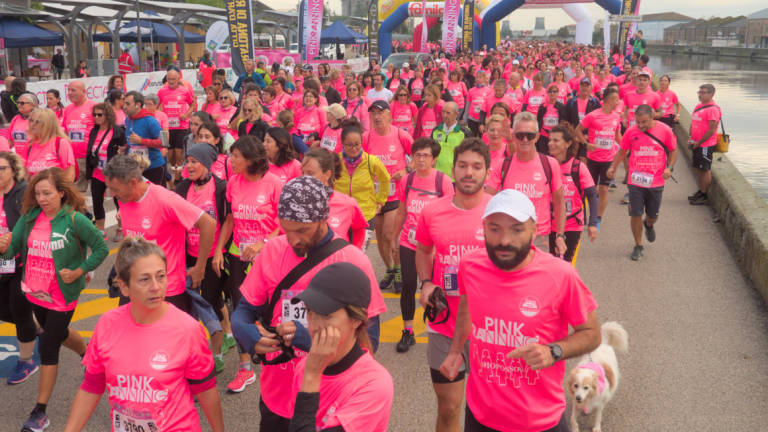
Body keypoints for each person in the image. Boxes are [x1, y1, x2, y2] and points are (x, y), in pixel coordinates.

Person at [230, 176, 387, 430]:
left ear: (323, 218)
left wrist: (309, 340)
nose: (292, 241)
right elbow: (244, 311)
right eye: (285, 229)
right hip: (276, 395)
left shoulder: (353, 261)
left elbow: (371, 341)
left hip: (328, 401)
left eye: (301, 231)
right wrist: (246, 334)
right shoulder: (272, 251)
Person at [440, 189, 600, 432]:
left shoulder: (561, 275)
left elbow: (591, 333)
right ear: (483, 228)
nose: (504, 240)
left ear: (534, 231)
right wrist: (455, 351)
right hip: (481, 415)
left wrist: (554, 351)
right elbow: (466, 304)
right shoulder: (470, 266)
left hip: (539, 421)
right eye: (495, 229)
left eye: (516, 229)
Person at [63, 238, 225, 432]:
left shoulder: (187, 329)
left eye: (161, 276)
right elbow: (92, 386)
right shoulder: (107, 324)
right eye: (144, 279)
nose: (156, 286)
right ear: (124, 287)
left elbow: (205, 389)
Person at [0, 167, 108, 432]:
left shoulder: (74, 220)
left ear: (62, 192)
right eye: (37, 193)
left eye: (47, 193)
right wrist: (5, 247)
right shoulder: (29, 218)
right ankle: (88, 355)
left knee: (49, 347)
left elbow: (102, 247)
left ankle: (40, 412)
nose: (42, 198)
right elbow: (13, 252)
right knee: (57, 334)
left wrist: (79, 271)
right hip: (36, 292)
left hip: (62, 295)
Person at [415, 138, 492, 432]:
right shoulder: (432, 211)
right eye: (462, 166)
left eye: (476, 166)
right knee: (448, 409)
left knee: (488, 410)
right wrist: (424, 283)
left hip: (489, 326)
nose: (469, 173)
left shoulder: (498, 212)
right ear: (453, 168)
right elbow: (422, 249)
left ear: (487, 171)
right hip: (443, 323)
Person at [212, 135, 283, 393]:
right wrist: (219, 250)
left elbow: (283, 222)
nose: (231, 161)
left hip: (268, 258)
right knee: (240, 311)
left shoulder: (274, 183)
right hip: (239, 256)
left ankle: (274, 360)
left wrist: (264, 243)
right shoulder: (233, 183)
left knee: (267, 312)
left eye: (236, 157)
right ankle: (245, 369)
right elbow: (230, 219)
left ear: (251, 160)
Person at [287, 263, 394, 432]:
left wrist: (312, 376)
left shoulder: (374, 385)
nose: (313, 326)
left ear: (356, 320)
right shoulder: (305, 367)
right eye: (309, 312)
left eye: (326, 316)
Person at [103, 154, 217, 303]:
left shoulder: (165, 200)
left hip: (166, 291)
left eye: (114, 189)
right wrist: (120, 271)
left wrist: (200, 267)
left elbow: (208, 223)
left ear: (132, 183)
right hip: (134, 286)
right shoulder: (124, 198)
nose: (111, 194)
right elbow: (129, 238)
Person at [174, 144, 235, 373]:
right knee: (189, 307)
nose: (188, 166)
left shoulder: (220, 188)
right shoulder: (181, 188)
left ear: (207, 164)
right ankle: (191, 353)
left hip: (213, 258)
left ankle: (216, 353)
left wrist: (219, 251)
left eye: (193, 161)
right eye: (186, 161)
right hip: (187, 255)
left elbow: (228, 221)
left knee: (211, 303)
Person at [393, 137, 453, 353]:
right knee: (409, 284)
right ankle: (408, 331)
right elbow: (402, 210)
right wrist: (393, 237)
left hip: (435, 246)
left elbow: (450, 213)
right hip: (409, 242)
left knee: (436, 289)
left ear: (434, 159)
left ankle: (439, 332)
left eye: (425, 155)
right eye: (417, 155)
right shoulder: (407, 180)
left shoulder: (442, 181)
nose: (420, 159)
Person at [487, 112, 567, 256]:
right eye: (520, 135)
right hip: (510, 237)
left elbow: (559, 202)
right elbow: (486, 200)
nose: (525, 139)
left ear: (536, 137)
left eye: (530, 135)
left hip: (539, 238)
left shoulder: (550, 164)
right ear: (514, 137)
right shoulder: (502, 165)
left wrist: (560, 235)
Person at [607, 105, 678, 261]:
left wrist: (670, 168)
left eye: (644, 122)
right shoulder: (632, 132)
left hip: (656, 181)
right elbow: (622, 151)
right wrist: (613, 167)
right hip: (636, 181)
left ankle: (649, 224)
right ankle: (638, 245)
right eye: (638, 122)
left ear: (652, 116)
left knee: (652, 215)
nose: (640, 125)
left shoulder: (665, 130)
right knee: (635, 214)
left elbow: (674, 149)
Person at [363, 100, 413, 293]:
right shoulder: (367, 137)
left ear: (389, 115)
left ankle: (399, 270)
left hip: (396, 195)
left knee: (390, 236)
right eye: (373, 113)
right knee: (381, 240)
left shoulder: (400, 134)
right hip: (375, 197)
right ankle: (390, 269)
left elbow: (419, 155)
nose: (377, 116)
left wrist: (406, 170)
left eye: (380, 112)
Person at [0, 152, 38, 386]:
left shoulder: (23, 194)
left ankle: (26, 361)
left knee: (20, 307)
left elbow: (33, 227)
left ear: (13, 170)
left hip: (21, 261)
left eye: (2, 168)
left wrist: (11, 240)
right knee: (5, 310)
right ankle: (36, 328)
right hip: (1, 261)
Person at [334, 119, 390, 248]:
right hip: (341, 214)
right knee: (341, 250)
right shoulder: (335, 160)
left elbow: (385, 179)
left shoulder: (371, 161)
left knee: (360, 252)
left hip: (365, 214)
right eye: (349, 145)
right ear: (342, 144)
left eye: (357, 144)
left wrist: (381, 201)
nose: (353, 148)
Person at [547, 124, 598, 261]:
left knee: (565, 264)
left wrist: (593, 223)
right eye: (550, 140)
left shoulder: (578, 167)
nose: (551, 143)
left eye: (556, 140)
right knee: (549, 264)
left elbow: (592, 195)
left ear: (568, 143)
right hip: (548, 225)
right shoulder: (545, 165)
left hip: (572, 225)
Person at [301, 149, 368, 248]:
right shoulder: (296, 202)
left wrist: (354, 253)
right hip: (308, 263)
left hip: (340, 261)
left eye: (310, 173)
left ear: (327, 174)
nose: (304, 178)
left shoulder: (347, 203)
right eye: (303, 172)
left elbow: (360, 228)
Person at [577, 87, 623, 228]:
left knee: (603, 189)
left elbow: (617, 136)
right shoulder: (593, 115)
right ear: (609, 99)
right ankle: (581, 214)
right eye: (616, 99)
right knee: (588, 189)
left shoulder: (616, 117)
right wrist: (586, 144)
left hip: (608, 160)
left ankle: (597, 218)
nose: (618, 102)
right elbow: (577, 130)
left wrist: (627, 148)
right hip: (592, 159)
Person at [86, 103, 124, 239]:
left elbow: (124, 148)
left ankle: (121, 227)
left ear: (107, 115)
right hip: (98, 173)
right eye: (94, 114)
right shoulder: (94, 131)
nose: (96, 117)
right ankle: (101, 230)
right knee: (97, 201)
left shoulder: (118, 131)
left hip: (113, 174)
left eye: (99, 115)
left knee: (118, 200)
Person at [158, 69, 196, 178]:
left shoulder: (184, 91)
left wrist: (187, 114)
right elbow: (156, 106)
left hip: (182, 126)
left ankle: (178, 177)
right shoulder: (162, 91)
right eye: (169, 79)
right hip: (167, 127)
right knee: (169, 154)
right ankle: (175, 171)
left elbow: (192, 104)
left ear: (178, 79)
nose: (171, 81)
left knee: (179, 152)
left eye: (173, 79)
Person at [688, 84, 721, 206]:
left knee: (705, 169)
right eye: (699, 92)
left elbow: (712, 130)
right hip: (696, 143)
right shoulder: (699, 106)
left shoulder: (713, 109)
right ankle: (701, 191)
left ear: (711, 94)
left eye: (703, 92)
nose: (700, 94)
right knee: (699, 168)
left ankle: (705, 195)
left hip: (705, 145)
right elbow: (693, 122)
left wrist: (698, 142)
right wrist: (691, 138)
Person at [123, 91, 166, 185]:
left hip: (153, 168)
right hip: (136, 168)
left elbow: (165, 141)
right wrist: (125, 147)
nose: (124, 106)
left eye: (127, 104)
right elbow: (131, 141)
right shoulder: (127, 120)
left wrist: (141, 141)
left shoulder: (150, 120)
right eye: (124, 103)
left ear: (138, 105)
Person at [25, 108, 76, 181]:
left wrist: (61, 191)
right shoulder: (31, 144)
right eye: (31, 120)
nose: (32, 125)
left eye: (37, 122)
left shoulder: (60, 143)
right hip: (36, 190)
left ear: (48, 124)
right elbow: (27, 174)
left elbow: (70, 174)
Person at [62, 81, 97, 182]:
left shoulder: (93, 106)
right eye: (68, 90)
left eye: (73, 90)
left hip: (90, 157)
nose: (70, 93)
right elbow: (64, 131)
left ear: (83, 91)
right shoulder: (68, 109)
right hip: (73, 158)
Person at [432, 101, 471, 179]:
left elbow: (469, 155)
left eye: (448, 113)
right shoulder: (436, 131)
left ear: (456, 114)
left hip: (456, 177)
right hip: (437, 175)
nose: (444, 115)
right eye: (443, 112)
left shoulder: (464, 132)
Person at [6, 92, 38, 162]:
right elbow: (10, 141)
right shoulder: (15, 119)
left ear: (33, 105)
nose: (19, 105)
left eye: (22, 103)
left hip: (35, 160)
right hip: (20, 161)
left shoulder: (39, 119)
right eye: (18, 103)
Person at [536, 84, 567, 154]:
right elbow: (538, 121)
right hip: (543, 136)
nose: (552, 93)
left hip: (556, 136)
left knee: (555, 156)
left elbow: (564, 122)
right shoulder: (542, 106)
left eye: (554, 91)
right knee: (543, 156)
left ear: (558, 93)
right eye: (550, 91)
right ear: (547, 93)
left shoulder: (562, 107)